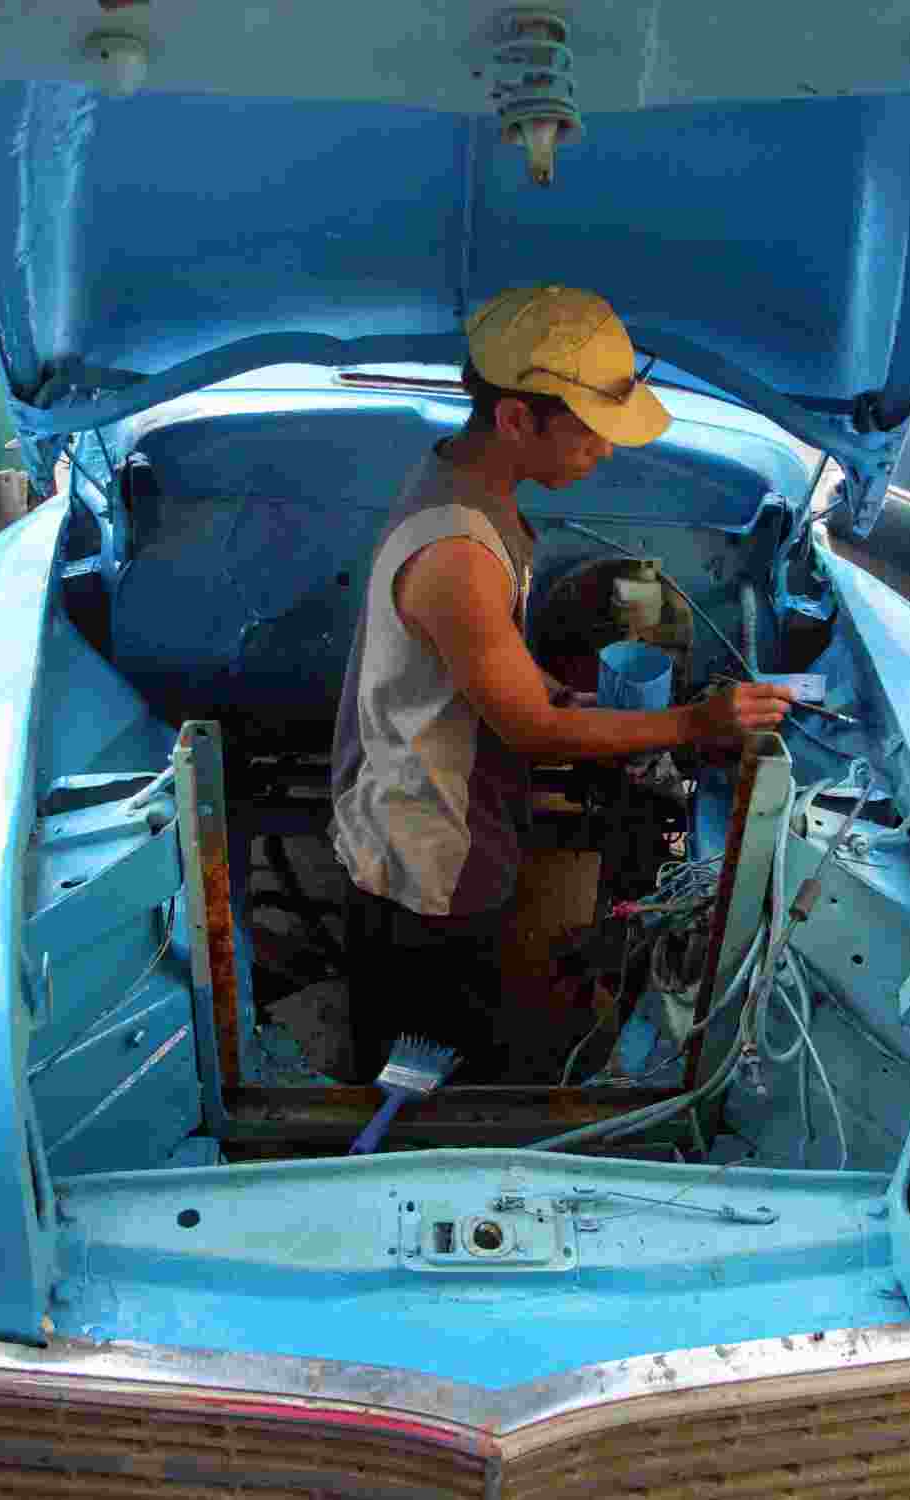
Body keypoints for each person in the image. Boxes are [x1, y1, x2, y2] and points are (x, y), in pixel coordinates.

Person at [330, 285, 793, 1081]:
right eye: (591, 431)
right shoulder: (459, 552)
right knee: (431, 1056)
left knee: (439, 1015)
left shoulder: (469, 484)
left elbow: (483, 658)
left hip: (431, 808)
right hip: (429, 846)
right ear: (516, 418)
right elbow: (534, 735)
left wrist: (551, 686)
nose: (605, 451)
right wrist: (697, 722)